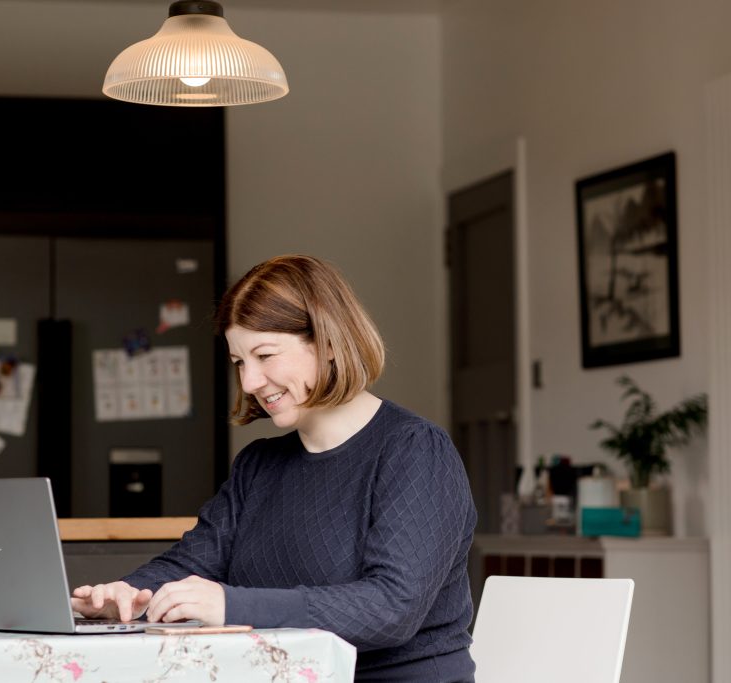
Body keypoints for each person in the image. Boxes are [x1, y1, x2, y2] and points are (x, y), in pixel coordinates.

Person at [71, 254, 477, 682]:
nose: (249, 383)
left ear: (330, 342)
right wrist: (127, 592)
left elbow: (392, 607)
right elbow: (192, 564)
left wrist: (230, 605)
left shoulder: (414, 451)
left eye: (265, 355)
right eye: (239, 363)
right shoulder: (259, 465)